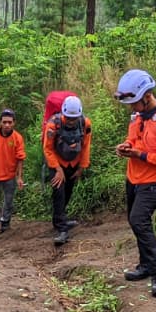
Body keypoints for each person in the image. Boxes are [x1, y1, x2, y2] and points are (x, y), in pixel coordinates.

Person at [114, 69, 156, 298]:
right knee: (134, 222)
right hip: (134, 178)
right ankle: (145, 265)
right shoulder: (137, 117)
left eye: (134, 103)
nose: (131, 108)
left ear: (147, 96)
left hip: (154, 182)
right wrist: (126, 146)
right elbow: (133, 139)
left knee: (139, 221)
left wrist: (140, 156)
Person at [43, 95, 91, 246]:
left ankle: (59, 219)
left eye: (74, 118)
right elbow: (48, 149)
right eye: (68, 118)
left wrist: (81, 168)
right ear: (63, 114)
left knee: (68, 192)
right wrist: (57, 169)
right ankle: (62, 230)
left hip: (74, 163)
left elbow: (85, 146)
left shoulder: (85, 124)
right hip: (57, 162)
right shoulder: (53, 125)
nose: (71, 121)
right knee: (59, 191)